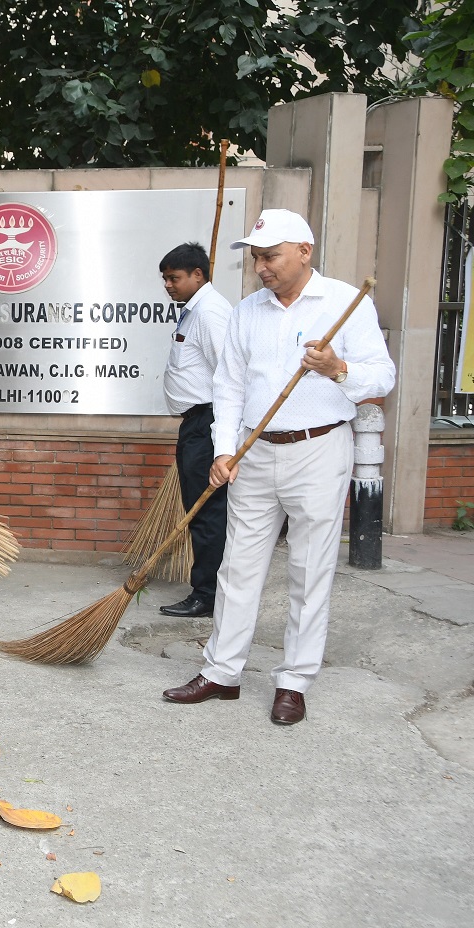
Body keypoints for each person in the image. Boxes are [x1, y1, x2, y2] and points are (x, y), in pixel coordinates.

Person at [163, 209, 396, 725]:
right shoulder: (248, 310)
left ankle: (294, 681)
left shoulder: (346, 303)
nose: (261, 267)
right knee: (237, 566)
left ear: (304, 252)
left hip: (319, 448)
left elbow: (383, 375)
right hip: (255, 450)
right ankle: (222, 672)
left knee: (310, 570)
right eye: (256, 258)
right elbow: (229, 384)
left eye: (270, 256)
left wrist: (338, 368)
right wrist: (224, 450)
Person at [157, 243, 232, 619]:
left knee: (207, 512)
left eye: (175, 278)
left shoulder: (210, 313)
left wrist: (222, 437)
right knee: (200, 509)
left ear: (198, 275)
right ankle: (208, 589)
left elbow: (231, 375)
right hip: (196, 424)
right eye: (165, 279)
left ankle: (208, 594)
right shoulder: (194, 311)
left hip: (209, 423)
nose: (168, 285)